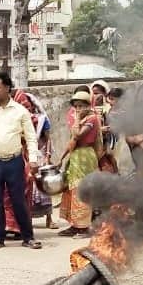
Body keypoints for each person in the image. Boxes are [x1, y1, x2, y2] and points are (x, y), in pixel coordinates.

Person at [0, 71, 42, 250]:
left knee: (18, 200)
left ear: (7, 88)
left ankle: (28, 237)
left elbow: (31, 137)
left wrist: (33, 159)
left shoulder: (21, 111)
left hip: (14, 162)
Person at [57, 90, 103, 238]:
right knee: (71, 191)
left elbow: (78, 135)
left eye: (81, 106)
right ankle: (74, 224)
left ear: (88, 106)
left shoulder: (92, 119)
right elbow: (72, 142)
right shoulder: (81, 120)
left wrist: (76, 119)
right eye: (75, 107)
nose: (78, 109)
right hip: (75, 157)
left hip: (85, 157)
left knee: (82, 192)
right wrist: (61, 158)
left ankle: (84, 227)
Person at [8, 90, 56, 231]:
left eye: (27, 105)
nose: (26, 108)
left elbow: (47, 138)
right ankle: (26, 219)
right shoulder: (15, 119)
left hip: (38, 156)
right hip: (21, 156)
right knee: (26, 189)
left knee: (43, 189)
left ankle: (49, 218)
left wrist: (47, 155)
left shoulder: (41, 119)